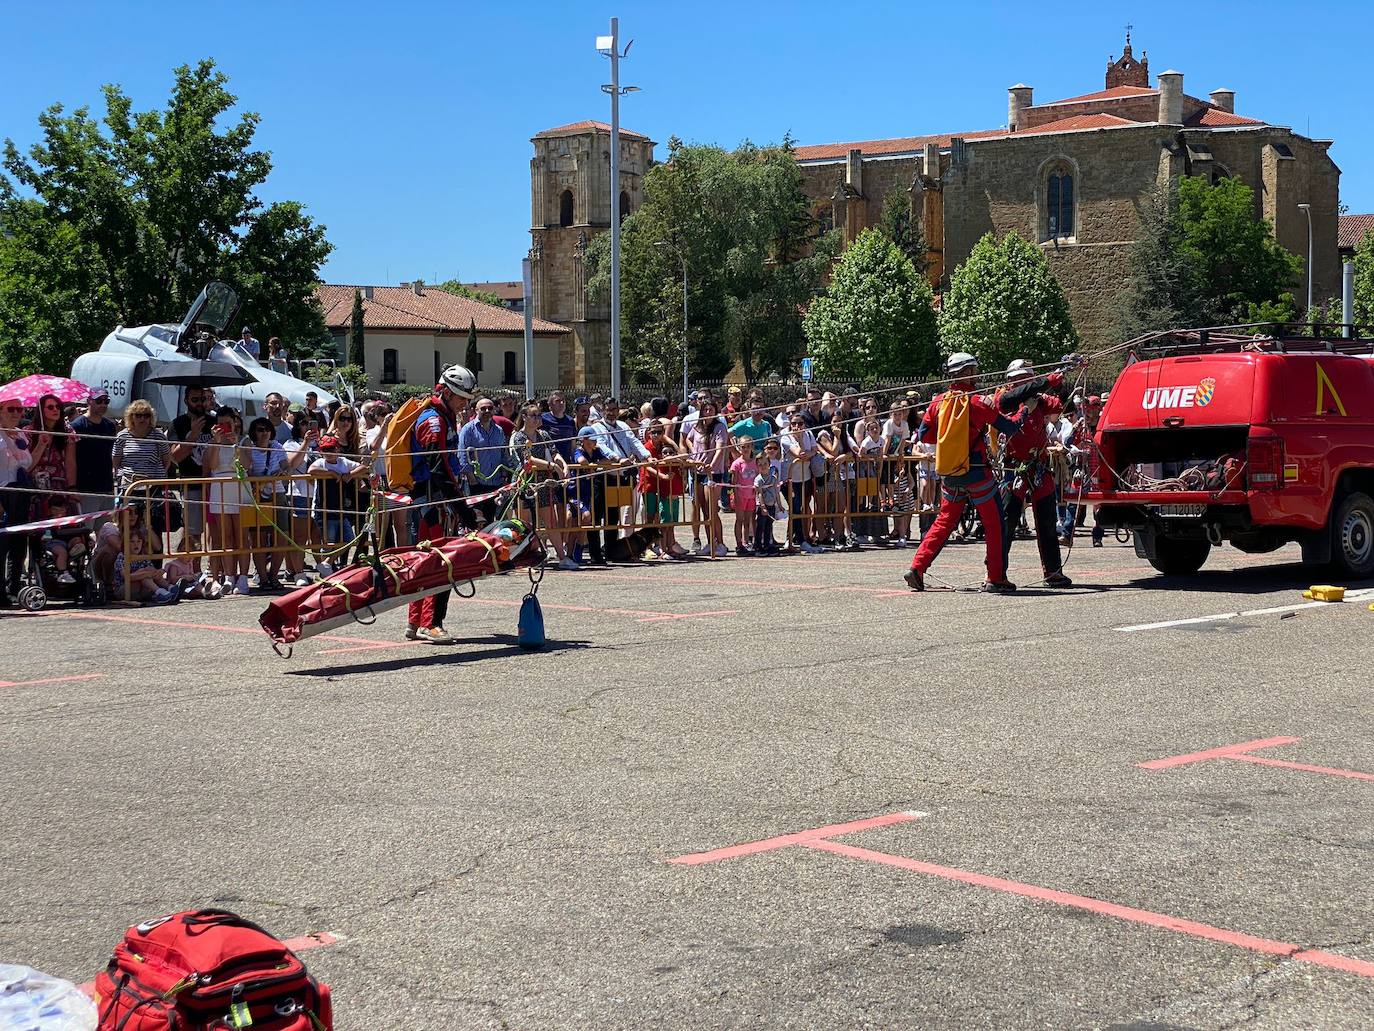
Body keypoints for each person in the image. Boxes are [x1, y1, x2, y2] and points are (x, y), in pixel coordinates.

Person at [905, 353, 1032, 594]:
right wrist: (1024, 411)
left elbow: (925, 435)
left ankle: (917, 567)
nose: (976, 374)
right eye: (973, 370)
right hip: (976, 472)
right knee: (995, 523)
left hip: (950, 472)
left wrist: (952, 440)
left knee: (944, 522)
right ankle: (996, 577)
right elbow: (1010, 426)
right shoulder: (977, 402)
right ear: (966, 373)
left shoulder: (938, 402)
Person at [406, 365, 476, 644]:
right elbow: (439, 469)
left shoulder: (442, 417)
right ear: (445, 392)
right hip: (432, 504)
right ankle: (431, 623)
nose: (465, 403)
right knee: (441, 563)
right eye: (461, 397)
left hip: (433, 501)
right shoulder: (434, 421)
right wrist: (464, 510)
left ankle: (414, 621)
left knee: (425, 562)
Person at [996, 358, 1074, 589]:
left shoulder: (1039, 401)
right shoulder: (1004, 399)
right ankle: (997, 572)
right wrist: (1044, 382)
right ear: (1012, 381)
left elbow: (1065, 406)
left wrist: (1059, 385)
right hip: (1014, 468)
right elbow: (1011, 400)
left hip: (1038, 467)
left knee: (1047, 520)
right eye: (1022, 378)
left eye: (1028, 378)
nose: (1027, 382)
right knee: (1008, 522)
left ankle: (1053, 571)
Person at [510, 400, 574, 569]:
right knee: (524, 524)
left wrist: (563, 465)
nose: (537, 418)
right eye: (533, 415)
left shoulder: (543, 435)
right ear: (524, 417)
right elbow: (527, 460)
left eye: (539, 415)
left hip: (544, 484)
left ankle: (562, 558)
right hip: (526, 482)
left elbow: (554, 453)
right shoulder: (519, 437)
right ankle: (522, 558)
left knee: (550, 521)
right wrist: (552, 466)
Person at [586, 397, 650, 558]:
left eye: (614, 409)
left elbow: (634, 441)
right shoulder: (596, 428)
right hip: (601, 477)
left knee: (612, 517)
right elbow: (601, 446)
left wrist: (647, 457)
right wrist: (617, 459)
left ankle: (610, 551)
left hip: (618, 479)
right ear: (603, 410)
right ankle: (595, 554)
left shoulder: (623, 426)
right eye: (608, 409)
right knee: (595, 517)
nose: (611, 413)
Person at [204, 406, 250, 595]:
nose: (226, 427)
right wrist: (217, 442)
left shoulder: (244, 441)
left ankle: (244, 577)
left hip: (240, 487)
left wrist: (236, 445)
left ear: (235, 422)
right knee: (225, 535)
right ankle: (229, 576)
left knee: (242, 536)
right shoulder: (213, 443)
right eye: (221, 424)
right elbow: (213, 465)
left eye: (229, 423)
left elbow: (247, 464)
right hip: (219, 487)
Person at [241, 416, 288, 589]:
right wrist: (260, 481)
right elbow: (247, 471)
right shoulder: (250, 449)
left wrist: (282, 472)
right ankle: (263, 577)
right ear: (254, 432)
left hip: (278, 494)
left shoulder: (277, 447)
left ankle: (274, 576)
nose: (264, 433)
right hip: (256, 497)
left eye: (267, 429)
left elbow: (286, 466)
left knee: (281, 536)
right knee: (257, 538)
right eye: (260, 430)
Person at [0, 389, 34, 607]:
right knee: (1, 545)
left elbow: (28, 464)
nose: (16, 413)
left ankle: (13, 588)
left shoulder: (21, 434)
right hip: (2, 492)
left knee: (19, 542)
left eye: (19, 409)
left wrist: (40, 446)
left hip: (21, 493)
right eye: (11, 409)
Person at [171, 386, 213, 554]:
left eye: (203, 399)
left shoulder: (214, 422)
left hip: (215, 484)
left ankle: (217, 572)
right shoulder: (178, 423)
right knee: (193, 532)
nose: (200, 403)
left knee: (218, 532)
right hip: (192, 484)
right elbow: (176, 456)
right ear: (186, 401)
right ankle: (191, 572)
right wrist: (193, 435)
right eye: (195, 399)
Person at [457, 396, 510, 529]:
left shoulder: (498, 430)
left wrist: (504, 474)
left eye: (490, 408)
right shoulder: (468, 430)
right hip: (476, 484)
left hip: (496, 483)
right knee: (476, 522)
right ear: (476, 410)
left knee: (492, 521)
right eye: (483, 408)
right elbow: (463, 455)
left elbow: (503, 453)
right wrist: (472, 479)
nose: (487, 410)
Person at [686, 399, 729, 557]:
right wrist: (694, 454)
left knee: (712, 509)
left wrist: (712, 463)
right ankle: (710, 542)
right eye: (705, 410)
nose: (708, 412)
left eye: (711, 409)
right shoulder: (697, 426)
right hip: (698, 471)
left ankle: (721, 543)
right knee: (703, 508)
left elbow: (720, 448)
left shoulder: (719, 427)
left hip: (713, 472)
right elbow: (688, 439)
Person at [281, 414, 321, 586]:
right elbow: (291, 464)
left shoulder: (320, 444)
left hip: (318, 495)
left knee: (317, 536)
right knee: (299, 536)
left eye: (310, 423)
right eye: (303, 423)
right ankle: (298, 573)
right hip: (299, 493)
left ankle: (321, 567)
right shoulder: (291, 444)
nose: (307, 426)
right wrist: (305, 443)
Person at [641, 417, 687, 559]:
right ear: (649, 432)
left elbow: (682, 456)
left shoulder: (663, 445)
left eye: (659, 432)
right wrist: (662, 476)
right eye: (653, 432)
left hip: (663, 485)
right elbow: (647, 466)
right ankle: (647, 547)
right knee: (650, 516)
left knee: (662, 518)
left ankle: (664, 545)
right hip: (649, 484)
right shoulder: (646, 447)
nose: (656, 435)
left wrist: (670, 441)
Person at [26, 393, 76, 519]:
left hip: (59, 485)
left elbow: (70, 461)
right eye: (50, 407)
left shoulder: (67, 431)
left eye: (58, 407)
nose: (55, 410)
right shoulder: (29, 431)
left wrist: (72, 488)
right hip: (35, 487)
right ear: (41, 411)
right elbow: (26, 464)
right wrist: (40, 444)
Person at [71, 392, 119, 514]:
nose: (103, 404)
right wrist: (73, 487)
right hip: (85, 488)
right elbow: (70, 458)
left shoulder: (110, 426)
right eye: (99, 401)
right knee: (86, 529)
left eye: (106, 401)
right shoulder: (77, 426)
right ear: (89, 401)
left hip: (107, 486)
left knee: (107, 530)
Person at [779, 412, 821, 553]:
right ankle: (800, 540)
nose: (797, 426)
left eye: (800, 424)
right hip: (789, 480)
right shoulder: (785, 437)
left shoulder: (808, 434)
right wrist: (800, 442)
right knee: (795, 509)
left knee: (799, 509)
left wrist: (807, 452)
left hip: (805, 477)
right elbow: (800, 453)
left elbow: (814, 450)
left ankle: (791, 538)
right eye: (794, 424)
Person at [729, 435, 759, 556]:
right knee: (739, 520)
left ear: (752, 447)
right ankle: (739, 543)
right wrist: (735, 497)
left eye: (748, 446)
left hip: (751, 496)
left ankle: (747, 542)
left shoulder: (755, 463)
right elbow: (734, 482)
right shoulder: (737, 464)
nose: (745, 449)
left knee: (748, 521)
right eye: (742, 447)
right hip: (740, 496)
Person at [753, 442, 783, 554]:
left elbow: (776, 491)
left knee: (768, 527)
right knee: (760, 527)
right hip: (762, 507)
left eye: (765, 464)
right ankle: (758, 546)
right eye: (760, 465)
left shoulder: (773, 478)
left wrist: (779, 505)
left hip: (772, 505)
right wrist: (762, 507)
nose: (763, 466)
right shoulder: (758, 479)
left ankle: (767, 545)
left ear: (769, 464)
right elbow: (759, 494)